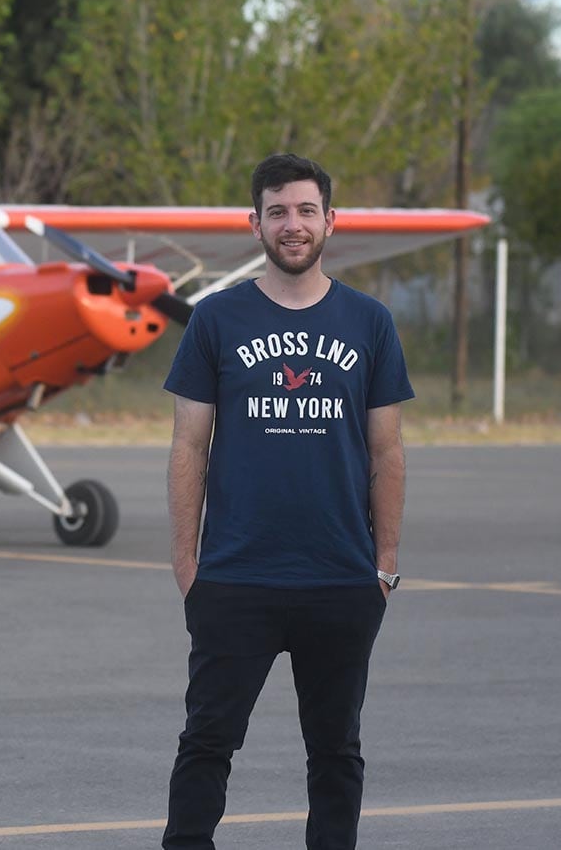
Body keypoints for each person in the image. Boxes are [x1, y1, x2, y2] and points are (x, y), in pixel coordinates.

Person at [161, 153, 411, 850]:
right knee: (207, 742)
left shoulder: (370, 322)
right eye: (277, 211)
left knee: (336, 751)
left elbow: (387, 451)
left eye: (305, 210)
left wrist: (383, 564)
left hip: (340, 577)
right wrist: (188, 564)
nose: (292, 224)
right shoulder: (214, 320)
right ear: (256, 223)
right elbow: (189, 447)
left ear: (331, 221)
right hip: (236, 577)